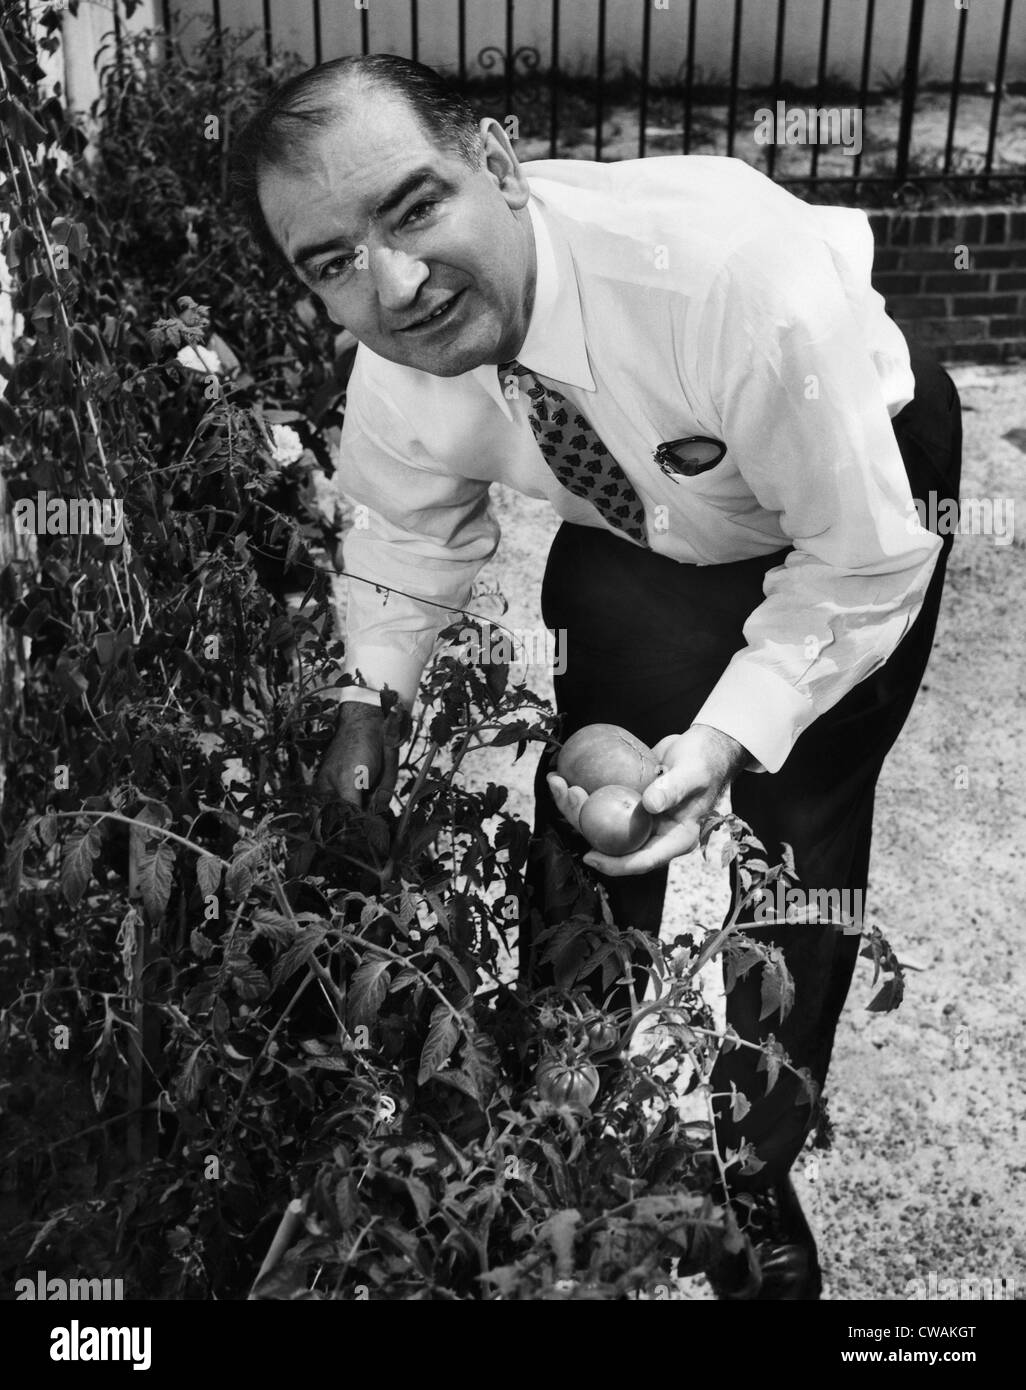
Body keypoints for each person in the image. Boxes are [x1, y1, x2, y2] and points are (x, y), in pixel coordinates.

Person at [233, 54, 962, 1300]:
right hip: (639, 521)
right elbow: (404, 548)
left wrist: (729, 735)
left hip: (850, 477)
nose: (393, 285)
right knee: (592, 806)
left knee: (799, 827)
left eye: (415, 208)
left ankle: (748, 1173)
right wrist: (367, 725)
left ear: (502, 166)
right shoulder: (401, 362)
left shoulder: (736, 282)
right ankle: (555, 1116)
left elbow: (859, 560)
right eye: (331, 260)